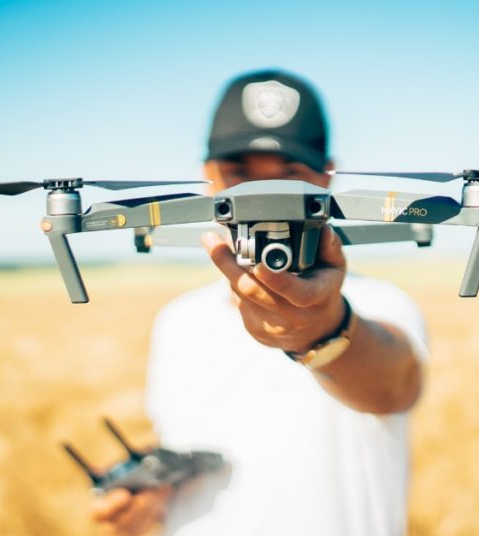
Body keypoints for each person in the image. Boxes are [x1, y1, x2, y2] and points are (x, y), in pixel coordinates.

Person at [91, 69, 428, 536]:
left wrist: (326, 329)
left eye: (290, 177)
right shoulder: (177, 322)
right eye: (241, 175)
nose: (265, 198)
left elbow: (392, 385)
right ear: (206, 176)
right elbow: (199, 444)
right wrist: (147, 502)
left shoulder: (382, 303)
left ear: (328, 176)